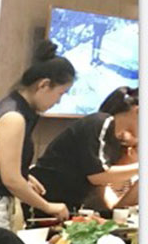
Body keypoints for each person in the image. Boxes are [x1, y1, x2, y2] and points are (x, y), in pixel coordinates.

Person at [0, 40, 75, 228]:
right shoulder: (14, 117)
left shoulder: (17, 108)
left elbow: (2, 166)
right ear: (44, 85)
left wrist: (25, 175)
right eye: (61, 93)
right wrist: (48, 207)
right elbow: (11, 180)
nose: (58, 101)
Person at [29, 86, 139, 214]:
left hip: (65, 206)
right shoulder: (101, 122)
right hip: (43, 199)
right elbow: (97, 176)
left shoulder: (112, 139)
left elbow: (104, 189)